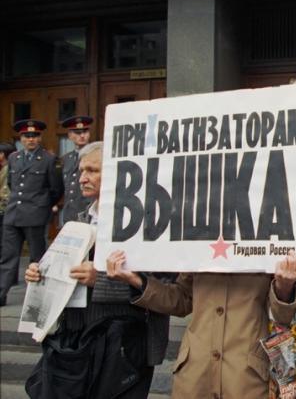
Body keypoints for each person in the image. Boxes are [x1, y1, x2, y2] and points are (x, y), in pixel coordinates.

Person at [24, 141, 170, 398]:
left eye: (92, 170)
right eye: (81, 170)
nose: (82, 178)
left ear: (117, 172)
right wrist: (41, 274)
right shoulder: (79, 220)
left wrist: (99, 280)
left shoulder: (147, 222)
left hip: (122, 344)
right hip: (76, 342)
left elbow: (162, 286)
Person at [106, 249, 296, 398]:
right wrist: (137, 281)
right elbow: (183, 299)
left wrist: (284, 286)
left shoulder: (267, 244)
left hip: (247, 377)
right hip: (194, 376)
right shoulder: (200, 242)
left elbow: (282, 316)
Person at [0, 120, 63, 306]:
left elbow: (56, 189)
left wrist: (42, 205)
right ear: (21, 138)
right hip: (13, 214)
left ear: (40, 138)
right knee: (7, 257)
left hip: (35, 215)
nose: (31, 139)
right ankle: (1, 294)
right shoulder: (14, 158)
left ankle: (37, 296)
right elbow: (11, 184)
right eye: (27, 136)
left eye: (34, 136)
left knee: (37, 258)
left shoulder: (48, 159)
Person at [60, 115, 93, 225]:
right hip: (70, 213)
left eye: (85, 132)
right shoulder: (66, 159)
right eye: (78, 133)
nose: (82, 136)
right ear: (70, 135)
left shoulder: (96, 155)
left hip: (89, 212)